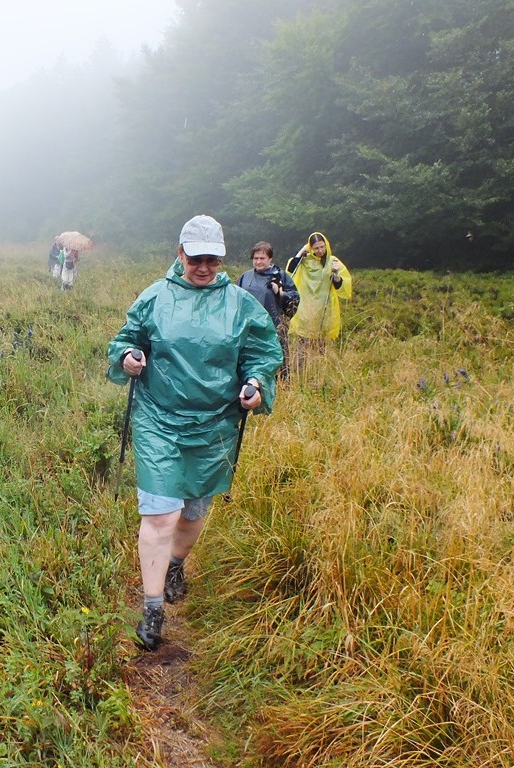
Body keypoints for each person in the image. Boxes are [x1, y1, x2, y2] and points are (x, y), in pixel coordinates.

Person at [106, 214, 283, 651]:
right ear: (180, 253)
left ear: (222, 258)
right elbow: (127, 339)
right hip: (159, 419)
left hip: (215, 423)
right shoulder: (155, 297)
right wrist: (128, 355)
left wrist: (255, 384)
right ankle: (152, 608)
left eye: (212, 260)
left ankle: (175, 564)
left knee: (193, 512)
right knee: (160, 514)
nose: (203, 267)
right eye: (195, 259)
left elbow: (263, 353)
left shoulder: (240, 304)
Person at [285, 232, 352, 364]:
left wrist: (336, 274)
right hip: (306, 309)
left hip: (324, 309)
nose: (320, 250)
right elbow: (290, 270)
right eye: (316, 248)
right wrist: (301, 251)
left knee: (321, 344)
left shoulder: (332, 261)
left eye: (322, 247)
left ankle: (318, 369)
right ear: (311, 248)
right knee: (303, 344)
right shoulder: (305, 261)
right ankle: (301, 370)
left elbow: (341, 285)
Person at [237, 241, 299, 379]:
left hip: (273, 327)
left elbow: (295, 298)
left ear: (270, 259)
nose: (258, 262)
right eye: (256, 258)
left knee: (277, 359)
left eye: (262, 258)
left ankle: (282, 384)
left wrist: (281, 293)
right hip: (249, 328)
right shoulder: (245, 277)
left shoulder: (280, 276)